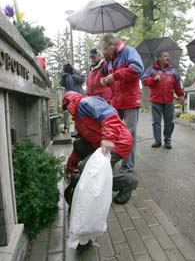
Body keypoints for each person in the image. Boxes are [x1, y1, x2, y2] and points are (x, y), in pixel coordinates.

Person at [62, 91, 139, 205]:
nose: (67, 111)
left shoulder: (86, 103)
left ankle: (127, 182)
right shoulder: (79, 119)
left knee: (88, 170)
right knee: (79, 145)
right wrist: (71, 165)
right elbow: (81, 143)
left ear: (69, 103)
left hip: (118, 142)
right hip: (103, 143)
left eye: (66, 108)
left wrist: (108, 138)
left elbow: (110, 115)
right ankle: (105, 172)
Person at [100, 34, 144, 172]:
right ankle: (110, 162)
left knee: (129, 133)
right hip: (117, 101)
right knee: (113, 132)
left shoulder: (128, 51)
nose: (104, 51)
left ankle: (127, 166)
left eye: (106, 48)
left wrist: (114, 75)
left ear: (113, 44)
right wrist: (106, 81)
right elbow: (115, 83)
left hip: (131, 100)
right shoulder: (109, 60)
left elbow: (137, 69)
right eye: (103, 49)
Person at [142, 51, 184, 149]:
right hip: (155, 101)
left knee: (169, 122)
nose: (167, 58)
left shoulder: (173, 70)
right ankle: (157, 141)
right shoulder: (151, 69)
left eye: (168, 56)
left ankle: (167, 141)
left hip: (169, 101)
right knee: (156, 122)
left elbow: (177, 85)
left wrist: (181, 95)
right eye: (165, 56)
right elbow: (144, 81)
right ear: (159, 58)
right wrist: (153, 78)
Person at [60, 63, 85, 133]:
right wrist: (63, 77)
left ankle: (77, 130)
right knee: (65, 111)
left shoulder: (78, 72)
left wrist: (73, 75)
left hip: (77, 96)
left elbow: (82, 80)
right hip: (68, 96)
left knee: (77, 112)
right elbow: (62, 84)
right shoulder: (65, 74)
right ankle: (66, 128)